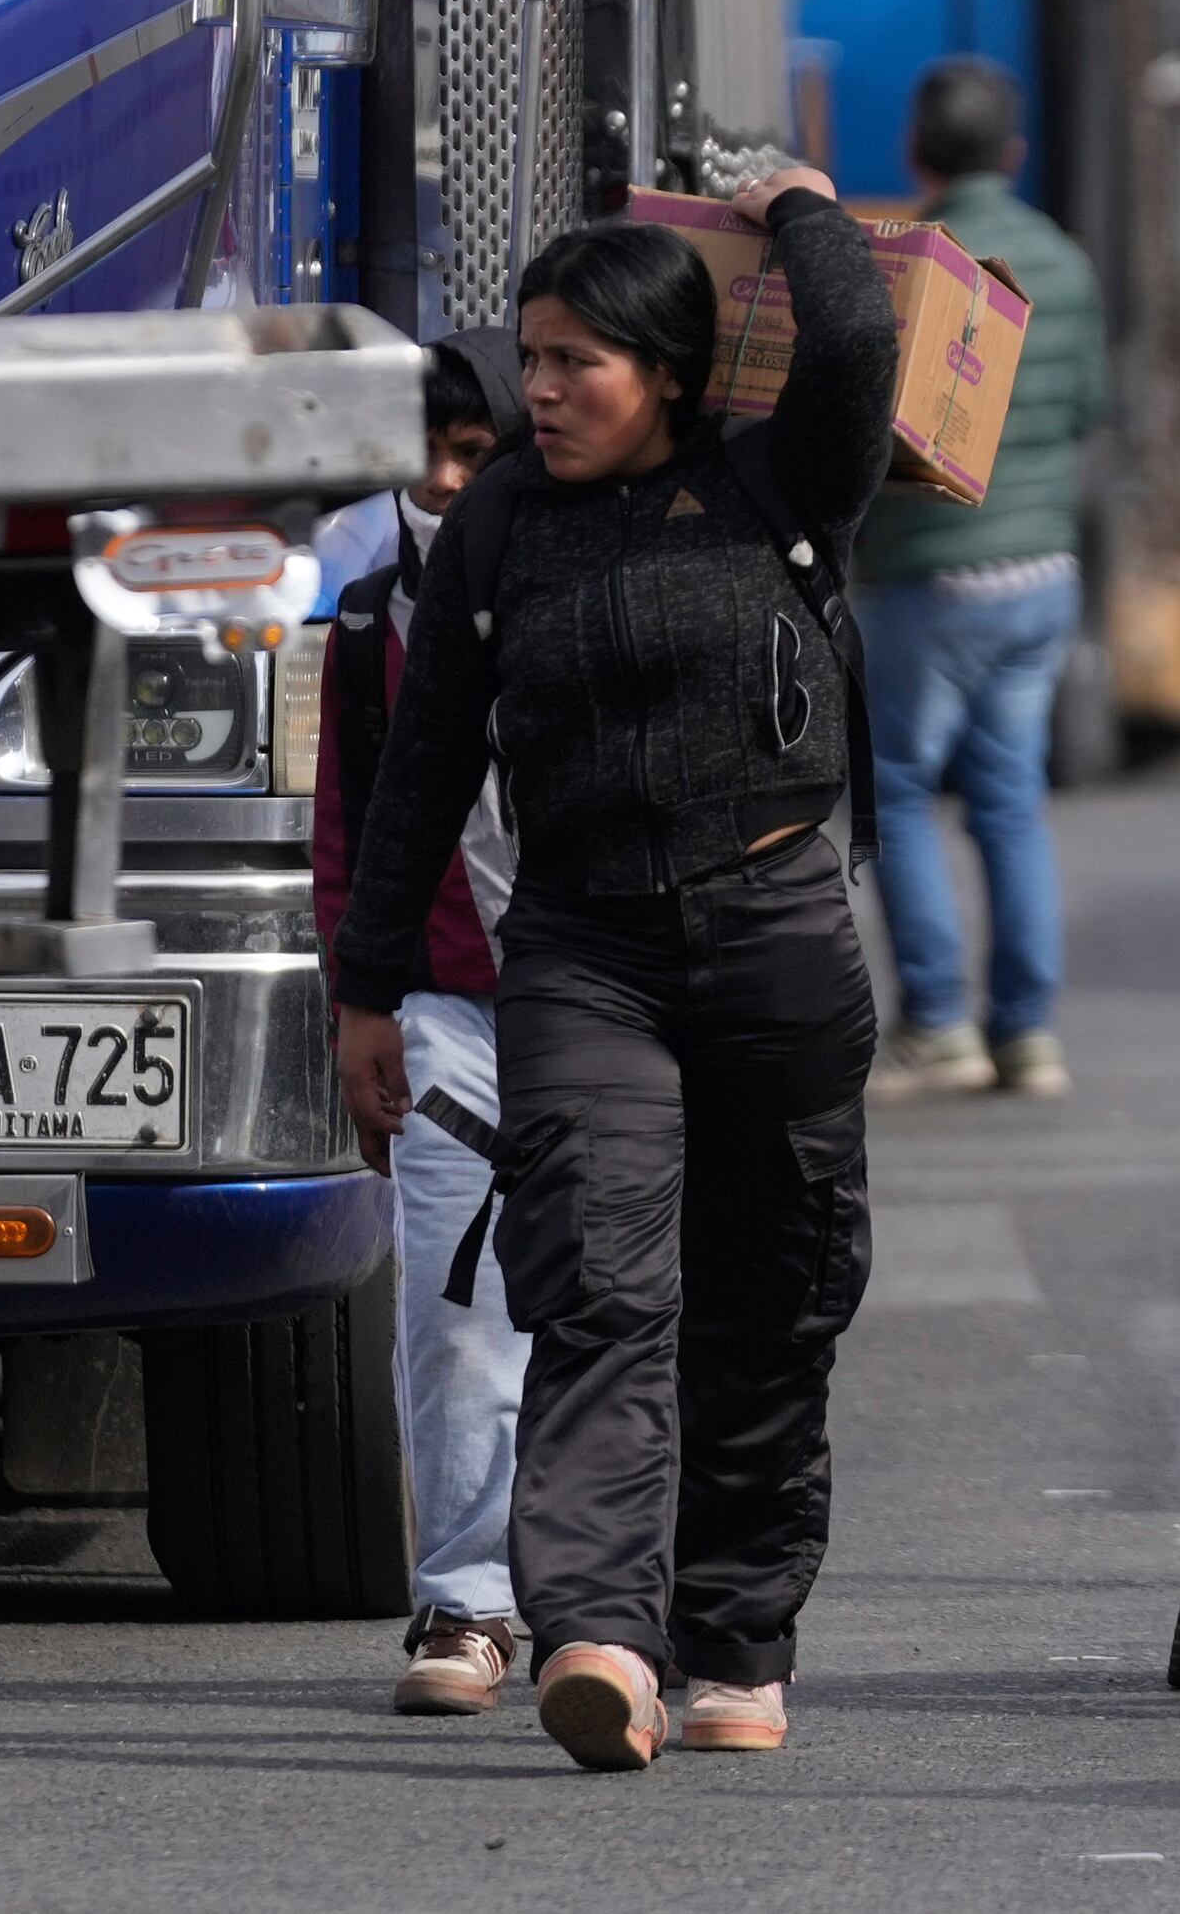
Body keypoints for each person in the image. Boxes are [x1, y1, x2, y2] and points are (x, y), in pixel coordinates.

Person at [333, 172, 900, 1773]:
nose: (545, 387)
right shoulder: (504, 518)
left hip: (778, 935)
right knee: (595, 1279)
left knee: (775, 1296)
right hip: (584, 949)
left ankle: (734, 1638)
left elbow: (854, 333)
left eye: (580, 358)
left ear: (669, 368)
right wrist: (369, 990)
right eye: (534, 355)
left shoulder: (781, 476)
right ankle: (599, 1632)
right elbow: (426, 759)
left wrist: (796, 205)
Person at [308, 331, 524, 1717]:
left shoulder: (597, 593)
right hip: (442, 1009)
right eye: (425, 455)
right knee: (454, 1304)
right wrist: (358, 1004)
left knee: (611, 1317)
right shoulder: (368, 625)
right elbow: (350, 838)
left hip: (611, 1008)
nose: (444, 482)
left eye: (473, 453)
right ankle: (466, 1601)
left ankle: (619, 1595)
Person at [859, 56, 1108, 1102]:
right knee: (1011, 801)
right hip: (1041, 573)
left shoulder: (921, 266)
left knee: (902, 794)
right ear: (1012, 155)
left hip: (928, 573)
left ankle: (938, 1022)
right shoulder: (1063, 262)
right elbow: (1085, 410)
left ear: (916, 157)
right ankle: (1028, 1033)